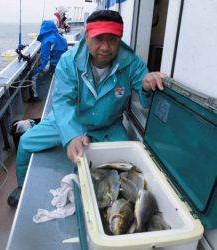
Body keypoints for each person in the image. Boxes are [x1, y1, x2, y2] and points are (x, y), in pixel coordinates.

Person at [8, 10, 165, 207]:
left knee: (127, 163)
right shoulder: (68, 61)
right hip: (69, 121)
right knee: (26, 143)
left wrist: (146, 86)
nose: (106, 47)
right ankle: (22, 186)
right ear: (87, 35)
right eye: (99, 38)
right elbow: (63, 102)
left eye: (113, 39)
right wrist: (72, 134)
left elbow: (145, 100)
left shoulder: (132, 62)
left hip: (108, 125)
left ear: (120, 39)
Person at [28, 20, 68, 102]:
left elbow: (46, 62)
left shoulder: (47, 41)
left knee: (33, 76)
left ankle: (35, 97)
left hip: (53, 66)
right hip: (63, 65)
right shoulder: (62, 38)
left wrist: (40, 70)